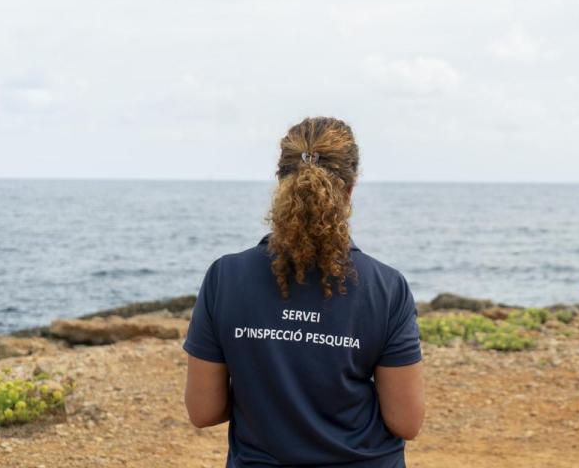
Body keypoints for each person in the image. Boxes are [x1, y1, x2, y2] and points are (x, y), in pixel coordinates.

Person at [182, 116, 425, 468]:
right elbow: (406, 422)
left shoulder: (225, 277)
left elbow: (203, 411)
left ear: (280, 181)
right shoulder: (386, 287)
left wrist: (265, 385)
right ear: (350, 188)